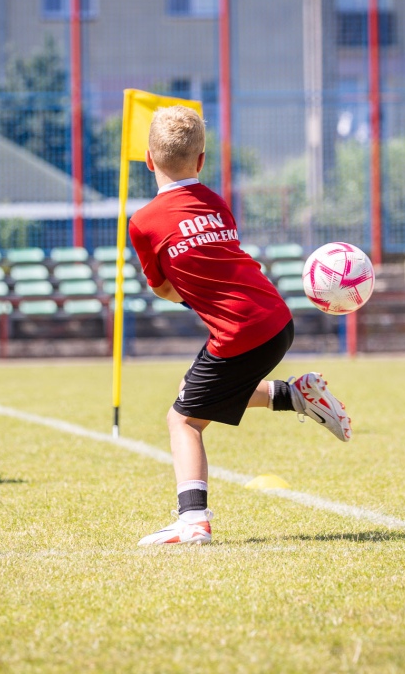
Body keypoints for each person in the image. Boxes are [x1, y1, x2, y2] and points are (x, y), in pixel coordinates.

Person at [128, 105, 352, 546]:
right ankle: (295, 395)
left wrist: (189, 291)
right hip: (275, 318)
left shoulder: (143, 222)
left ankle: (193, 521)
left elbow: (164, 289)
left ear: (149, 160)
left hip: (240, 332)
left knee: (182, 421)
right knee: (193, 390)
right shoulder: (215, 202)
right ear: (201, 159)